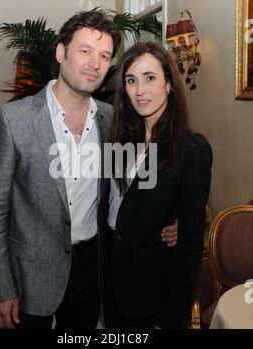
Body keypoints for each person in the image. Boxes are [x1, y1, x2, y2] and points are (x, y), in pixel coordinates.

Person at [0, 10, 177, 330]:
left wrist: (173, 219)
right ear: (61, 52)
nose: (95, 63)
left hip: (91, 270)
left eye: (104, 55)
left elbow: (137, 186)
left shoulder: (113, 120)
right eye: (85, 50)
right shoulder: (12, 120)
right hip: (28, 275)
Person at [102, 42, 212, 329]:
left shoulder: (190, 148)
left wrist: (171, 316)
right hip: (112, 283)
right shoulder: (120, 142)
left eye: (150, 78)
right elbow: (115, 207)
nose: (140, 90)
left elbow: (190, 248)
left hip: (154, 295)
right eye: (131, 80)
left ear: (169, 85)